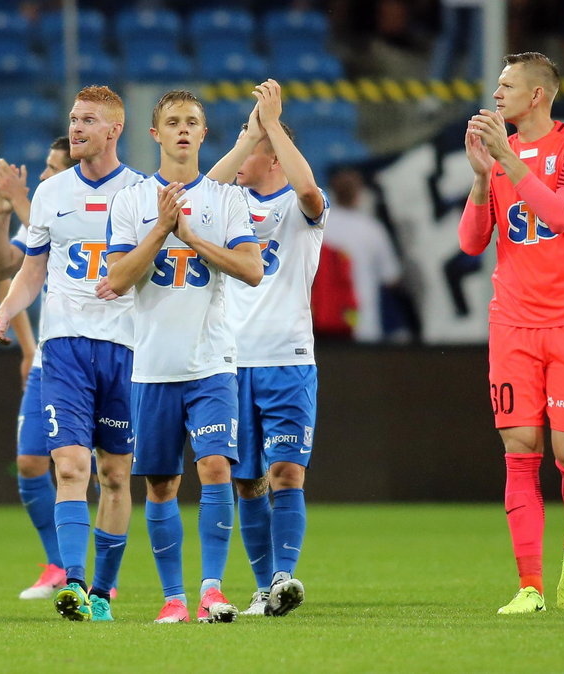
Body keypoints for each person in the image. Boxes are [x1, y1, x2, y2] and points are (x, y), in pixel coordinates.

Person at [101, 89, 264, 624]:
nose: (183, 130)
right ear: (155, 134)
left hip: (212, 362)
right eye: (172, 122)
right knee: (162, 483)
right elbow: (118, 279)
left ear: (204, 132)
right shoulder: (129, 202)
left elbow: (252, 269)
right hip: (151, 367)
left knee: (216, 466)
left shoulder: (226, 199)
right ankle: (173, 599)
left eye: (192, 122)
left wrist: (189, 235)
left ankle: (211, 591)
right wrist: (161, 230)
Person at [0, 86, 144, 622]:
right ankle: (74, 583)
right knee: (72, 466)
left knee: (118, 476)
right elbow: (32, 270)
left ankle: (104, 590)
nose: (75, 128)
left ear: (114, 130)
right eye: (73, 119)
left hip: (126, 350)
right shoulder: (53, 194)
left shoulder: (143, 193)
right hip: (64, 351)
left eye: (88, 121)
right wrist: (8, 309)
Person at [460, 52, 564, 614]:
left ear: (537, 95)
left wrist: (506, 162)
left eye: (506, 85)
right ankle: (531, 587)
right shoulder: (497, 157)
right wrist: (480, 178)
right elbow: (473, 243)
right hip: (513, 320)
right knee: (521, 451)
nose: (496, 94)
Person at [206, 79, 328, 618]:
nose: (243, 149)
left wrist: (272, 125)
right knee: (246, 480)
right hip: (229, 364)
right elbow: (194, 196)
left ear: (273, 156)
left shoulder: (300, 208)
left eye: (250, 142)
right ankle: (264, 588)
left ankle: (283, 576)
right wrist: (250, 134)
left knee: (287, 474)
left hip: (288, 360)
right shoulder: (227, 206)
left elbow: (308, 193)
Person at [0, 137, 82, 600]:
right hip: (51, 356)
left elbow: (66, 247)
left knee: (99, 468)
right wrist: (4, 211)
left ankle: (100, 577)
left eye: (51, 168)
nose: (43, 175)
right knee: (29, 462)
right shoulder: (43, 212)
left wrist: (23, 200)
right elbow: (1, 268)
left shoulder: (86, 212)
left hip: (100, 351)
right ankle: (59, 565)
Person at [325, 168, 404, 344]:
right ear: (359, 194)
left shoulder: (319, 226)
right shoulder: (371, 229)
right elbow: (391, 277)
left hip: (326, 320)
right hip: (363, 322)